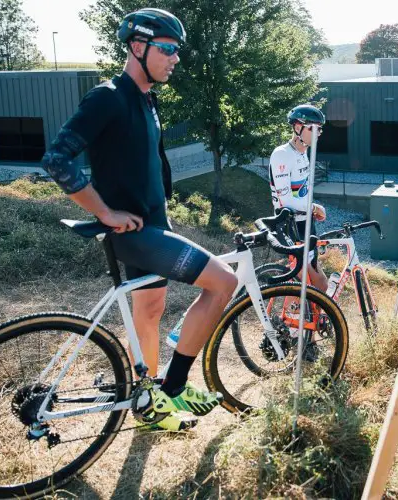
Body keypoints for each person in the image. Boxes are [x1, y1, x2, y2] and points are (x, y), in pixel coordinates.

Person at [41, 8, 235, 431]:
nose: (175, 58)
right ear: (137, 47)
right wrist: (104, 212)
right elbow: (56, 158)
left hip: (152, 226)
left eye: (177, 51)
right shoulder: (108, 96)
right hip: (135, 234)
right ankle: (175, 387)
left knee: (150, 311)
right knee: (224, 283)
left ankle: (147, 401)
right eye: (167, 49)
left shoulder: (146, 100)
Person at [268, 104, 330, 293]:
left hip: (306, 222)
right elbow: (285, 201)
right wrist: (313, 207)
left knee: (319, 283)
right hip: (289, 224)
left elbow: (302, 192)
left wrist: (312, 209)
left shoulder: (303, 154)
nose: (318, 133)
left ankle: (316, 317)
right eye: (314, 128)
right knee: (306, 283)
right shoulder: (282, 155)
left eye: (320, 129)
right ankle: (294, 319)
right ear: (297, 127)